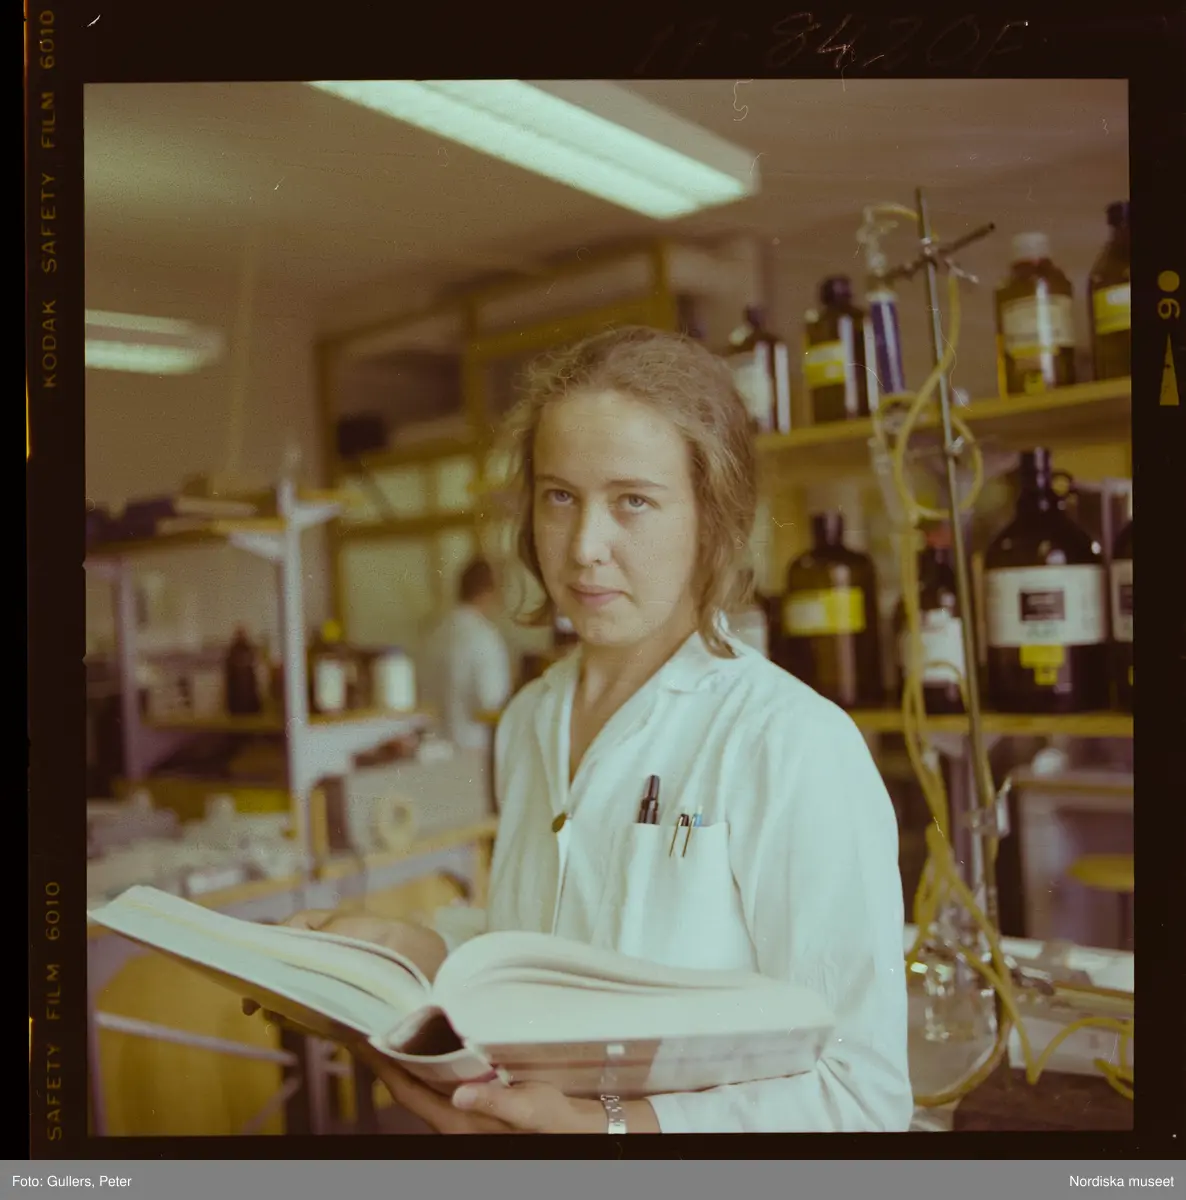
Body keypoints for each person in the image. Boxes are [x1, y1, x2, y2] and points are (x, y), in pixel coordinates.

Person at [269, 326, 914, 1134]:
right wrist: (402, 945)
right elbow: (540, 948)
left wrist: (613, 1131)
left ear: (713, 516)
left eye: (632, 501)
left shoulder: (790, 743)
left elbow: (862, 1099)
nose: (584, 547)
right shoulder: (531, 719)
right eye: (559, 497)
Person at [418, 557, 513, 754]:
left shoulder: (435, 634)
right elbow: (490, 702)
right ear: (489, 592)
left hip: (435, 750)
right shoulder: (484, 637)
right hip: (474, 749)